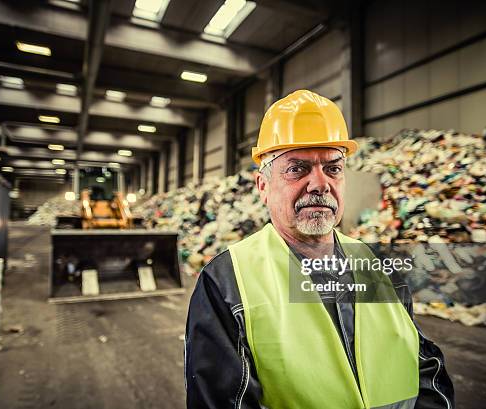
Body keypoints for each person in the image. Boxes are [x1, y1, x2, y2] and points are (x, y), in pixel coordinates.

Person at [185, 90, 454, 409]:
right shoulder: (227, 281)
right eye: (297, 169)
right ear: (263, 187)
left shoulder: (375, 263)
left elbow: (424, 369)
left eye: (333, 168)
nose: (320, 184)